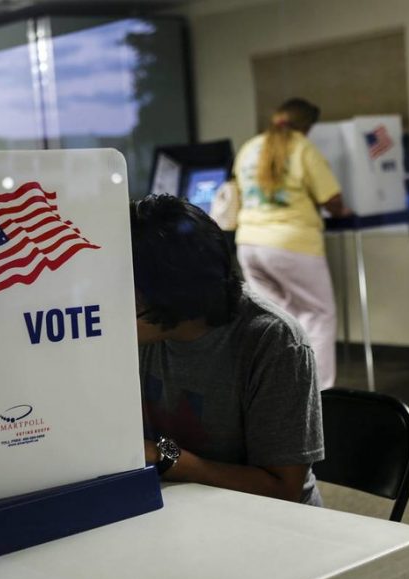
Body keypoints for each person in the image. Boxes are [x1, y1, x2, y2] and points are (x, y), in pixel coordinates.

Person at [131, 194, 324, 505]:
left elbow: (283, 489)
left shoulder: (272, 340)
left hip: (271, 524)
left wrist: (163, 457)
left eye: (129, 293)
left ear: (169, 293)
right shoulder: (145, 332)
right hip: (185, 508)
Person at [233, 97, 351, 390]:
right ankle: (320, 396)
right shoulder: (302, 147)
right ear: (307, 126)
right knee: (318, 314)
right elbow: (331, 198)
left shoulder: (250, 147)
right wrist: (342, 211)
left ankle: (276, 390)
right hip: (291, 244)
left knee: (274, 321)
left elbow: (238, 192)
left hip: (249, 244)